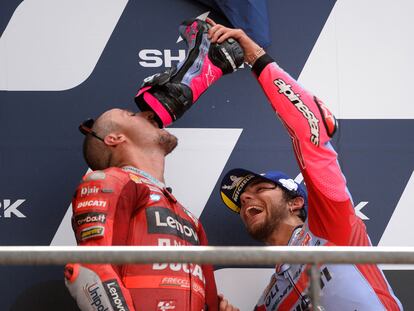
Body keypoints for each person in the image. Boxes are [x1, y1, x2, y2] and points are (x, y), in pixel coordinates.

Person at [207, 19, 403, 310]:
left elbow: (309, 132)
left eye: (260, 188)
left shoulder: (329, 226)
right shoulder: (269, 300)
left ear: (296, 202)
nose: (246, 197)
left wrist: (256, 58)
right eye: (242, 200)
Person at [64, 19, 241, 311]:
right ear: (114, 138)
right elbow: (89, 269)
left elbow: (209, 301)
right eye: (130, 114)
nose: (148, 115)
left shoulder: (188, 217)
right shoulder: (110, 181)